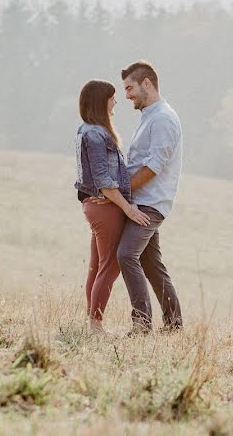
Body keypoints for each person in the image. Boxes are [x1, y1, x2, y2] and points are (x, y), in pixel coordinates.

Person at [75, 79, 150, 333]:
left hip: (96, 205)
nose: (115, 102)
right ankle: (95, 325)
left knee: (98, 266)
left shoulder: (85, 130)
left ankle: (91, 322)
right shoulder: (96, 134)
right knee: (110, 266)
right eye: (112, 98)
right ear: (101, 102)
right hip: (105, 208)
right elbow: (102, 178)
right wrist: (127, 208)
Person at [117, 60, 184, 333]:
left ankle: (142, 324)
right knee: (150, 263)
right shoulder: (149, 117)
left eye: (130, 87)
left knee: (126, 255)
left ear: (147, 84)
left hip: (150, 204)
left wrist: (122, 194)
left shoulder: (164, 118)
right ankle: (174, 324)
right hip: (142, 200)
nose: (127, 95)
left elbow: (154, 165)